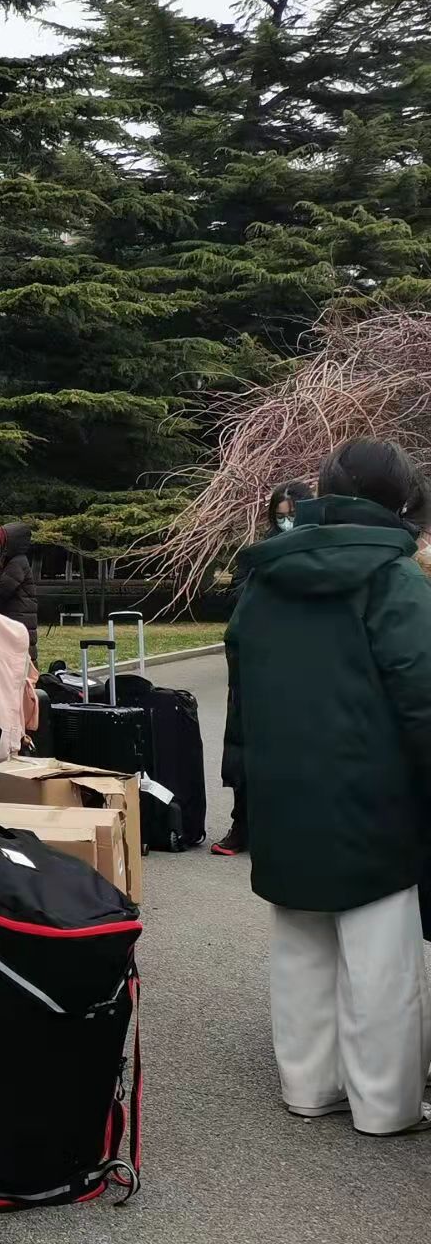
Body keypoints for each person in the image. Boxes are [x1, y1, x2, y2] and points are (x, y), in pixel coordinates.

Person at [222, 438, 431, 1136]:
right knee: (379, 958)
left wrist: (246, 771)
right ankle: (385, 1107)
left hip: (283, 785)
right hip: (375, 792)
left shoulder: (264, 575)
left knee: (300, 941)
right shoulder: (394, 579)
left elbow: (243, 684)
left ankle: (309, 1086)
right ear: (401, 500)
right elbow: (422, 696)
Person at [212, 480, 314, 857]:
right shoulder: (259, 555)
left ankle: (288, 829)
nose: (285, 522)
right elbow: (238, 597)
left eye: (292, 515)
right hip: (252, 663)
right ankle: (242, 825)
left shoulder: (317, 555)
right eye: (280, 516)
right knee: (244, 747)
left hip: (297, 665)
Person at [0, 522, 40, 663]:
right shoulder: (12, 562)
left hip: (18, 620)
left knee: (21, 661)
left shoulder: (17, 563)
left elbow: (2, 591)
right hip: (18, 620)